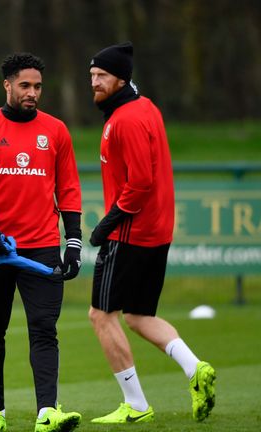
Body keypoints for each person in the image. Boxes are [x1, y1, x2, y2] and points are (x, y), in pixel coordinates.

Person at [0, 53, 83, 432]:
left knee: (44, 328)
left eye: (38, 86)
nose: (32, 93)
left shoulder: (56, 131)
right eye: (25, 85)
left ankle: (47, 412)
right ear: (7, 85)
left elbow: (69, 190)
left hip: (41, 249)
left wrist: (72, 242)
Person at [87, 42, 216, 424]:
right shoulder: (145, 108)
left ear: (121, 79)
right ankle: (196, 369)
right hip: (156, 233)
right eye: (91, 76)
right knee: (139, 316)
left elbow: (140, 183)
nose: (93, 82)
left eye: (102, 76)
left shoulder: (126, 118)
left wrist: (106, 224)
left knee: (100, 315)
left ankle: (137, 405)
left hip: (130, 234)